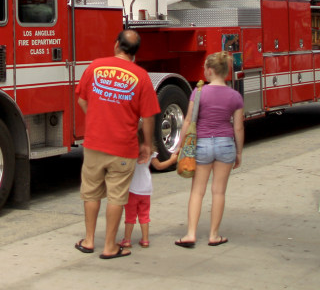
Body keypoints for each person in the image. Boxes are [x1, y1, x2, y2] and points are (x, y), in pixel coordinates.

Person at [74, 30, 161, 259]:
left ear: (116, 45)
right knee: (117, 196)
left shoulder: (95, 67)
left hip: (94, 143)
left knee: (91, 192)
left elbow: (82, 99)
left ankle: (89, 240)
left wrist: (95, 118)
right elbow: (149, 116)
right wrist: (147, 146)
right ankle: (110, 246)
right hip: (123, 146)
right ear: (135, 53)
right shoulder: (141, 76)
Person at [174, 51, 244, 248]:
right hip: (225, 144)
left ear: (211, 71)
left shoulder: (198, 92)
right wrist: (238, 152)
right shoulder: (235, 96)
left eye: (205, 68)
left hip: (202, 144)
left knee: (197, 191)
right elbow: (238, 127)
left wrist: (180, 147)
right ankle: (214, 235)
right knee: (219, 192)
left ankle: (190, 234)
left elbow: (188, 120)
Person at [120, 126, 178, 249]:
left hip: (132, 190)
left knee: (130, 216)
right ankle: (145, 239)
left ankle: (127, 240)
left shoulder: (130, 154)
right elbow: (160, 166)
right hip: (146, 190)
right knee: (144, 215)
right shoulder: (150, 153)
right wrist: (172, 160)